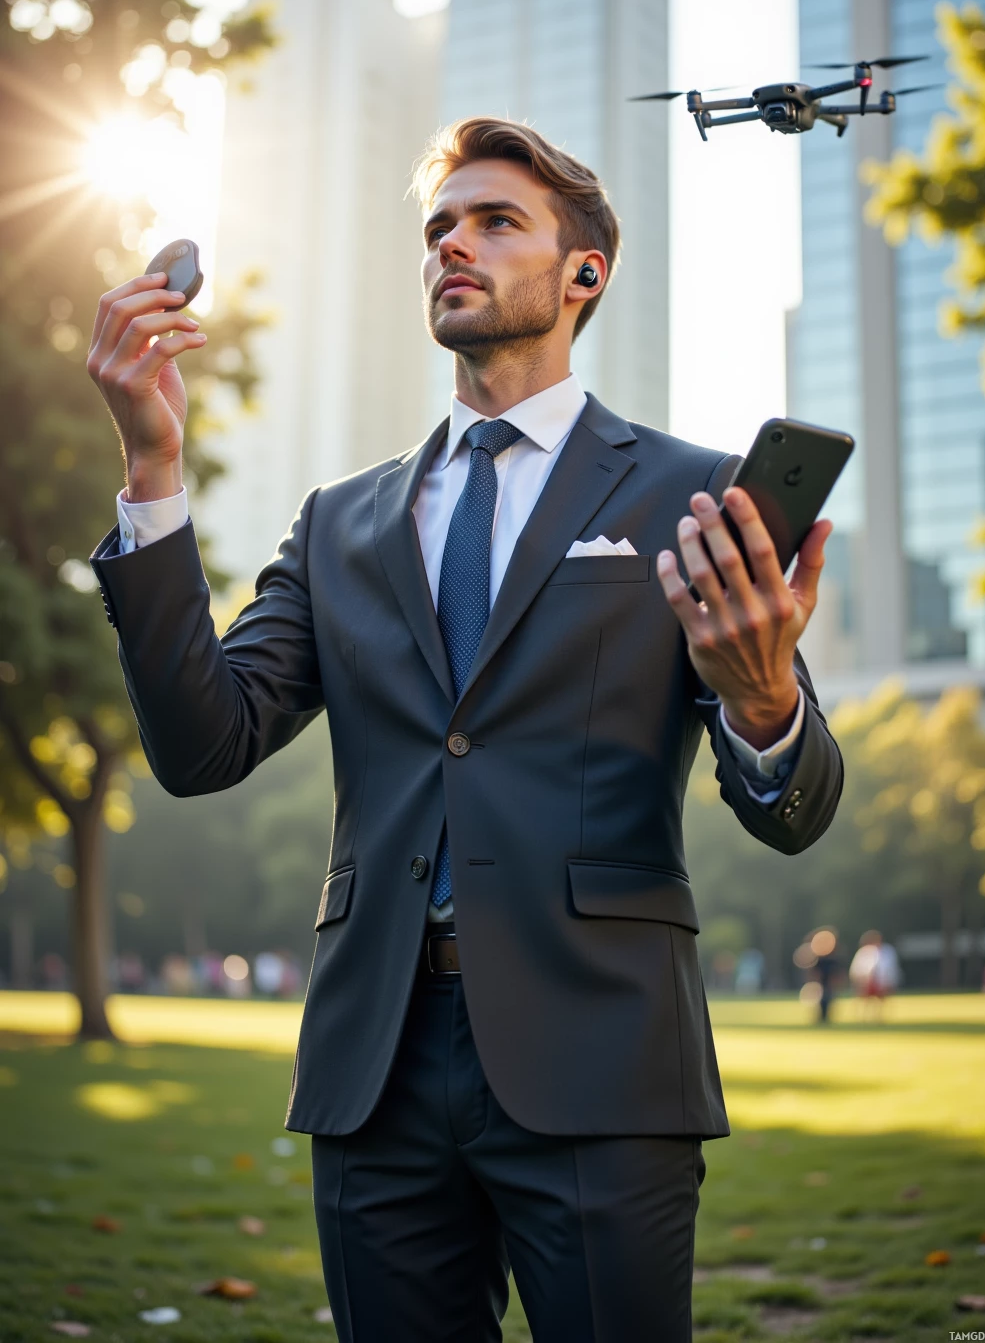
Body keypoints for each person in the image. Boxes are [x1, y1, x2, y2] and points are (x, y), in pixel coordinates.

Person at [87, 117, 844, 1343]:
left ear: (582, 272)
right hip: (372, 1065)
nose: (455, 243)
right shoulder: (340, 521)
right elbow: (199, 746)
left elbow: (798, 814)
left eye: (497, 222)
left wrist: (763, 703)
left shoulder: (690, 493)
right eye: (441, 225)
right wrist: (151, 466)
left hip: (601, 1055)